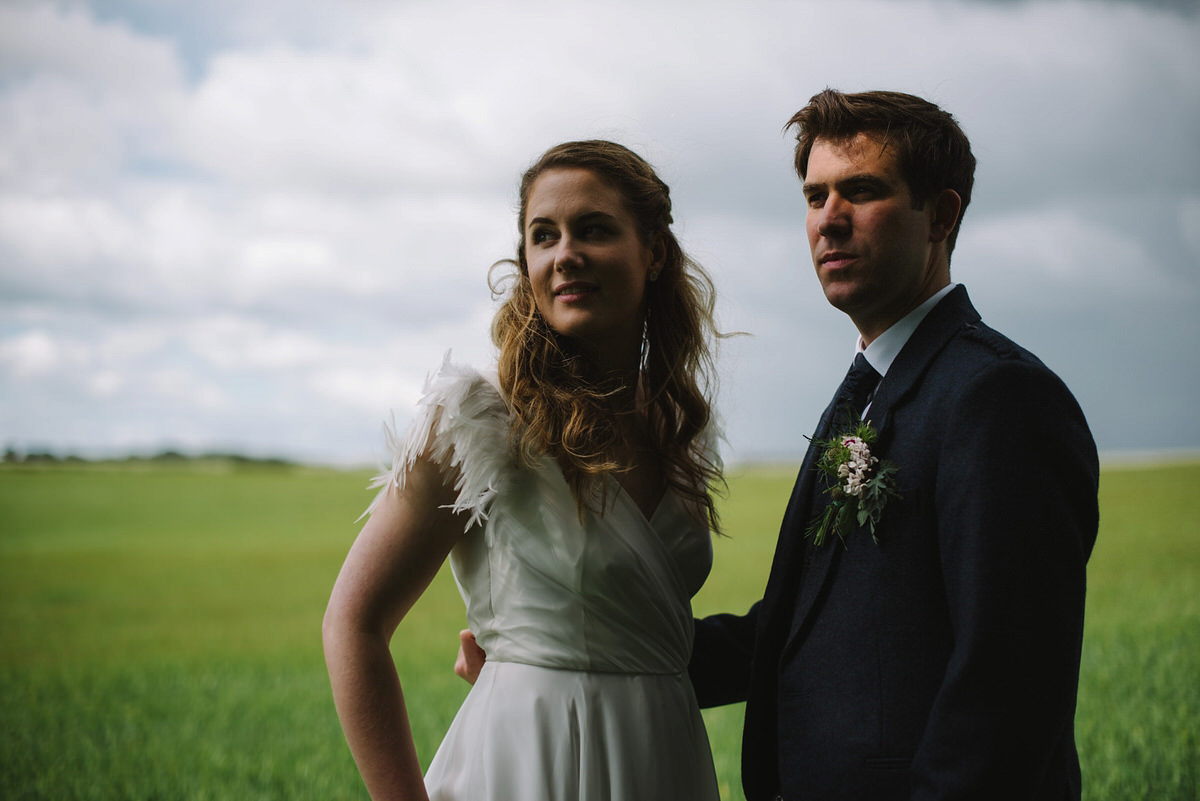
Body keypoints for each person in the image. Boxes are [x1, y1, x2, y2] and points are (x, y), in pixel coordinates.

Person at [686, 89, 1100, 800]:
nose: (829, 220)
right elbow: (795, 631)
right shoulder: (868, 391)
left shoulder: (998, 399)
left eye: (862, 191)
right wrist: (588, 652)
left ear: (941, 215)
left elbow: (1008, 686)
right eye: (815, 196)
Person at [322, 140, 725, 801]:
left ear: (653, 252)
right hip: (528, 763)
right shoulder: (479, 420)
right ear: (526, 263)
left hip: (665, 759)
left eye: (593, 229)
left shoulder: (678, 429)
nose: (565, 253)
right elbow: (353, 623)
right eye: (545, 235)